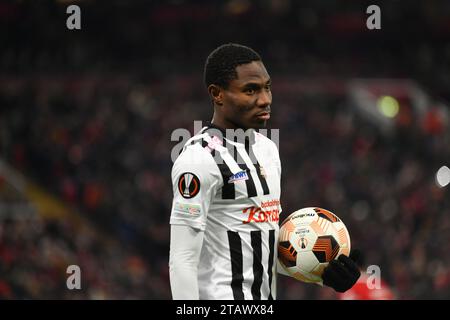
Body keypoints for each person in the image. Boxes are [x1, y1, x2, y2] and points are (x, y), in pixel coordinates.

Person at [169, 43, 360, 300]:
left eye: (267, 87)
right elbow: (182, 259)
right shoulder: (198, 159)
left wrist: (323, 274)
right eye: (250, 90)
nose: (265, 99)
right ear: (217, 94)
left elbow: (261, 247)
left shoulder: (268, 149)